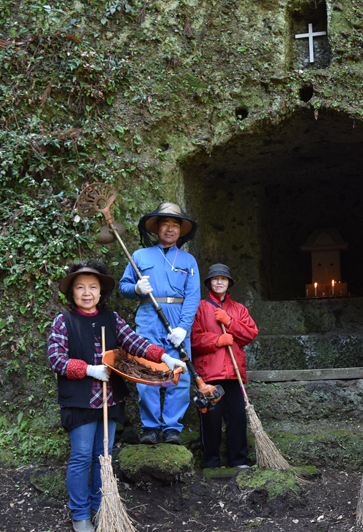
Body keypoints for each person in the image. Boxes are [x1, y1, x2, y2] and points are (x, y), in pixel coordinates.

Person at [47, 261, 186, 532]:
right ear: (72, 292)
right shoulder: (64, 321)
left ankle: (102, 507)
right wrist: (88, 369)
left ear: (100, 292)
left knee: (104, 455)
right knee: (82, 456)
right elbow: (56, 360)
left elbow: (135, 342)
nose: (87, 293)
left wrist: (165, 357)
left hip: (109, 400)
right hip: (80, 401)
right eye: (80, 287)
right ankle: (80, 514)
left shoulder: (111, 319)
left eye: (93, 287)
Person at [119, 203, 200, 445]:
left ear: (181, 230)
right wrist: (135, 288)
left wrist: (183, 327)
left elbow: (193, 296)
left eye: (175, 225)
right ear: (157, 228)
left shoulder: (188, 260)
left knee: (181, 374)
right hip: (148, 316)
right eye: (165, 224)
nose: (170, 229)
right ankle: (151, 428)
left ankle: (172, 428)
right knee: (146, 370)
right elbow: (124, 286)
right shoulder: (140, 256)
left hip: (178, 319)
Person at [190, 264, 259, 468]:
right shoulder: (200, 307)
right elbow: (193, 339)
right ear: (209, 283)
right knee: (211, 418)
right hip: (209, 374)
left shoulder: (238, 309)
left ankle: (238, 461)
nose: (219, 282)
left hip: (233, 373)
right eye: (215, 278)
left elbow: (250, 334)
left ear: (229, 283)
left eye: (223, 279)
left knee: (237, 417)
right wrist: (218, 340)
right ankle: (211, 462)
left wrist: (229, 321)